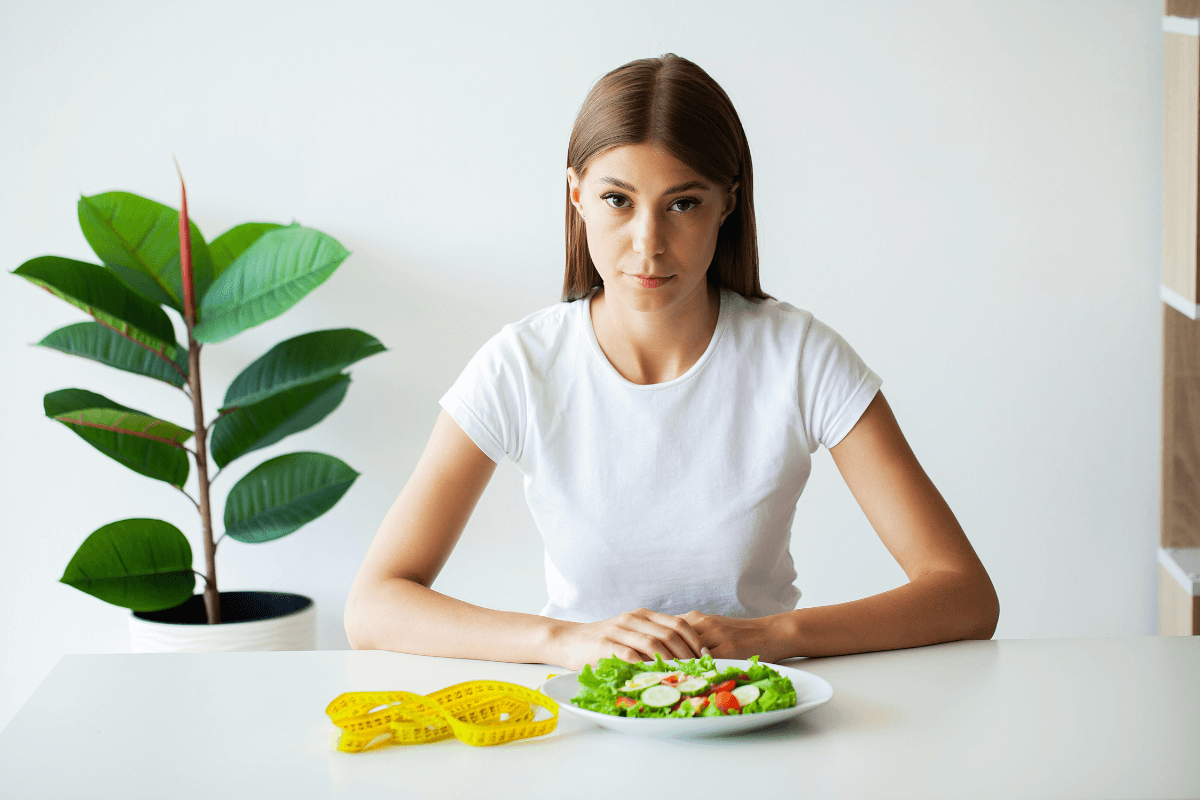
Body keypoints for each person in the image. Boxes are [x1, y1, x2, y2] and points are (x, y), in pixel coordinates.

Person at [344, 54, 999, 672]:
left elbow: (963, 594)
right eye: (617, 200)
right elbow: (373, 606)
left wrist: (768, 637)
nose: (648, 244)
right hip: (582, 720)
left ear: (727, 202)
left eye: (683, 203)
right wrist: (565, 642)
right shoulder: (521, 365)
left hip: (755, 715)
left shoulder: (799, 356)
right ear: (576, 196)